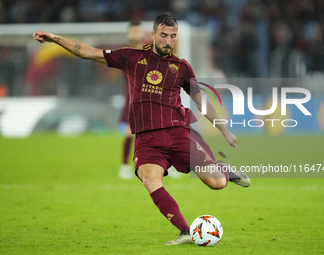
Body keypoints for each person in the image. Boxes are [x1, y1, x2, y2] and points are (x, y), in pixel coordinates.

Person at [33, 12, 250, 245]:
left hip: (178, 132)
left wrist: (224, 130)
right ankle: (185, 231)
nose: (168, 41)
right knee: (150, 179)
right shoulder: (132, 57)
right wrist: (55, 38)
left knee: (216, 183)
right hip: (147, 138)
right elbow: (87, 52)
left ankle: (225, 170)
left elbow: (200, 101)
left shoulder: (182, 67)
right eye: (164, 35)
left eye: (173, 36)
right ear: (154, 34)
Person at [118, 21, 144, 180]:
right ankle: (124, 166)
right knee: (130, 131)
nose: (135, 34)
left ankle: (168, 164)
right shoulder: (124, 53)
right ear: (128, 34)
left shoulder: (151, 51)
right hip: (132, 96)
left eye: (138, 31)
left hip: (152, 96)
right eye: (133, 32)